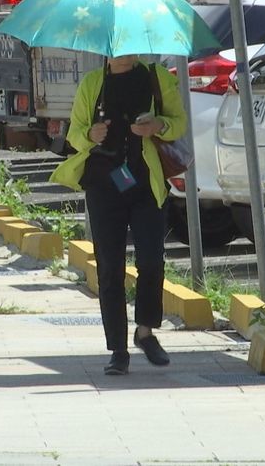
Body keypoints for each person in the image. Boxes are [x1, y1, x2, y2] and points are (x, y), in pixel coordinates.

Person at [50, 54, 187, 375]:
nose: (123, 52)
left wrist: (158, 126)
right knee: (110, 268)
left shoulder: (156, 79)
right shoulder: (93, 83)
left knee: (151, 260)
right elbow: (74, 133)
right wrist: (89, 135)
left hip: (145, 184)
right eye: (117, 46)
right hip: (104, 186)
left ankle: (145, 331)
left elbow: (178, 122)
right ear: (107, 50)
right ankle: (118, 349)